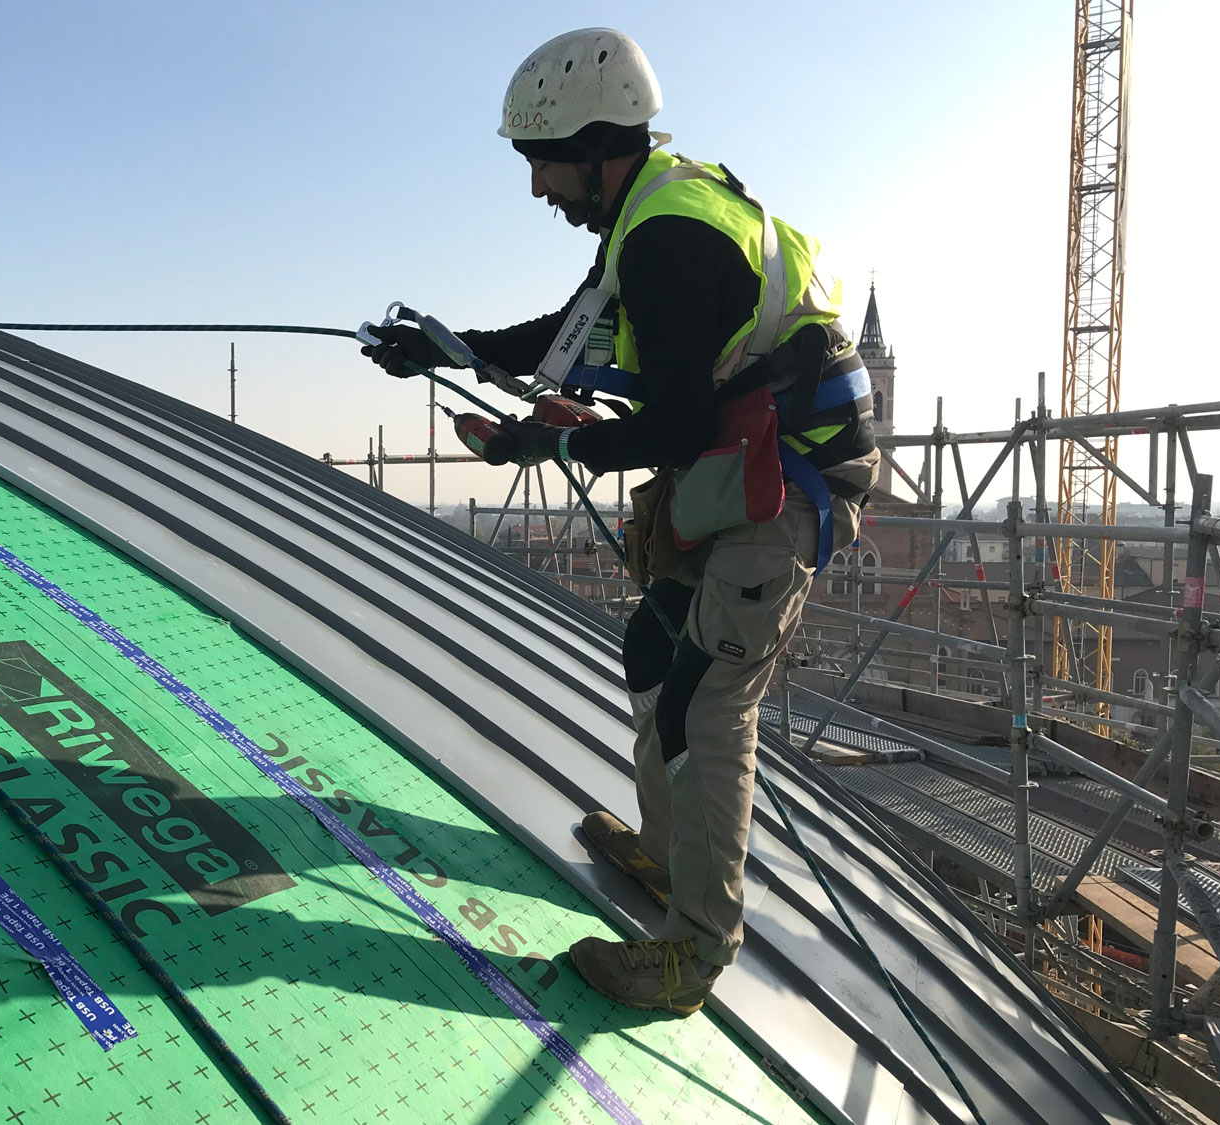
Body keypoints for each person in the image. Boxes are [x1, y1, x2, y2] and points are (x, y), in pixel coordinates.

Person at [364, 27, 879, 1016]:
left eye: (542, 163)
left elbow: (677, 417)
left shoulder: (670, 235)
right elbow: (564, 340)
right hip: (744, 463)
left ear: (595, 149)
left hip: (788, 482)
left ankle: (695, 949)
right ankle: (666, 854)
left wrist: (543, 448)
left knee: (706, 699)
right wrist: (443, 347)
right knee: (653, 645)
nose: (537, 188)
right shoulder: (650, 215)